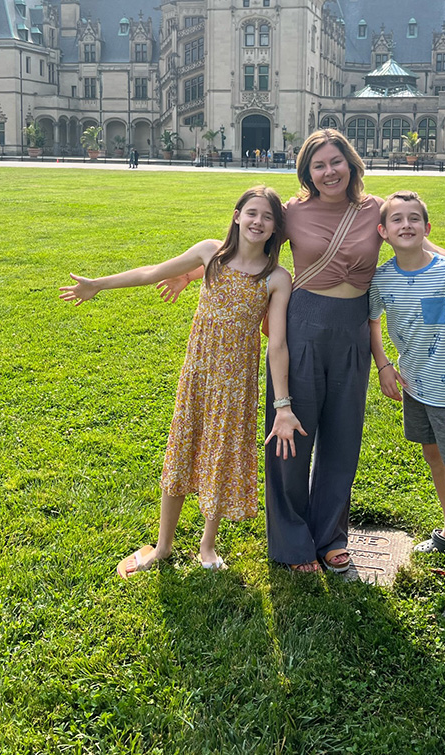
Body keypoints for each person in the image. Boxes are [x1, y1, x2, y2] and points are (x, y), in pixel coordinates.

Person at [159, 130, 445, 575]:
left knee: (342, 439)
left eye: (336, 162)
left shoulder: (374, 211)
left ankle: (330, 536)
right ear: (307, 171)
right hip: (302, 323)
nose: (329, 172)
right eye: (318, 165)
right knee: (290, 435)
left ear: (351, 163)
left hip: (352, 329)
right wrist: (192, 275)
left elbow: (425, 247)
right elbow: (247, 245)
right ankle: (290, 541)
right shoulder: (291, 212)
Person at [59, 186, 301, 575]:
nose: (258, 221)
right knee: (181, 451)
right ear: (237, 216)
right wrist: (98, 284)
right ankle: (163, 546)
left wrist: (283, 405)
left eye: (268, 217)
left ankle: (208, 545)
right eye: (251, 212)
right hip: (198, 375)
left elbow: (277, 346)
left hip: (236, 386)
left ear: (276, 229)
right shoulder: (210, 254)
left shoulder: (277, 278)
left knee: (219, 458)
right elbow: (152, 273)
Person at [369, 191, 445, 620]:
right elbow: (372, 320)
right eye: (396, 220)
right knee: (435, 461)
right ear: (383, 232)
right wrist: (383, 364)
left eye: (414, 219)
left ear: (427, 228)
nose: (406, 225)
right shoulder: (382, 279)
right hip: (415, 389)